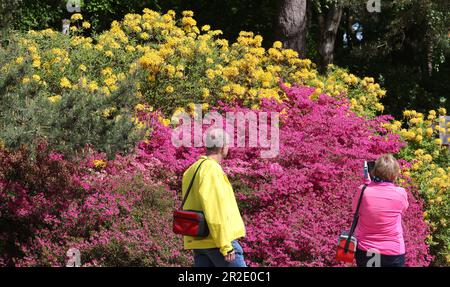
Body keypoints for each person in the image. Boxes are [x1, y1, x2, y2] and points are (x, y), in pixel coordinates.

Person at [182, 128, 247, 267]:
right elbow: (215, 209)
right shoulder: (212, 170)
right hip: (217, 243)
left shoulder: (191, 170)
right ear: (223, 147)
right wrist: (225, 245)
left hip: (199, 242)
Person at [353, 154, 409, 267]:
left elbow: (355, 210)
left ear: (375, 170)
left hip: (367, 249)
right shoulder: (400, 193)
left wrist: (368, 184)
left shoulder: (363, 191)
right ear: (395, 173)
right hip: (393, 251)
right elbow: (403, 209)